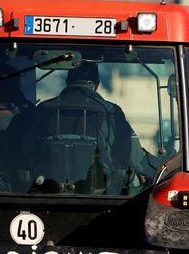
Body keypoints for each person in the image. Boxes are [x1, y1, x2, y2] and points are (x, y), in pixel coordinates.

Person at [18, 60, 155, 194]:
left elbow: (25, 150)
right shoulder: (111, 112)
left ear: (67, 83)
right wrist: (162, 167)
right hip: (102, 198)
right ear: (96, 85)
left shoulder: (43, 109)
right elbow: (137, 160)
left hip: (46, 194)